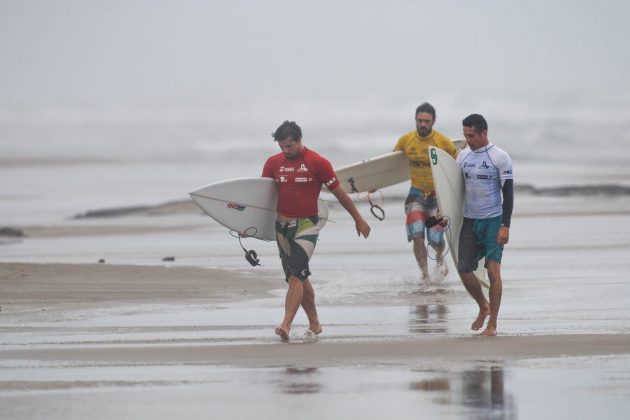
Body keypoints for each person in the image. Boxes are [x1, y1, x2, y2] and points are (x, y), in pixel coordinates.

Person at [262, 121, 371, 341]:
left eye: (289, 146)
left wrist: (358, 219)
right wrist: (246, 226)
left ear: (299, 140)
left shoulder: (317, 162)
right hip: (282, 228)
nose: (285, 150)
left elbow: (339, 193)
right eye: (282, 146)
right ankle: (315, 323)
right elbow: (261, 199)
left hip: (306, 225)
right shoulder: (273, 163)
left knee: (295, 276)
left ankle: (286, 324)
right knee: (300, 276)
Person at [457, 114, 513, 336]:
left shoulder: (500, 157)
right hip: (470, 220)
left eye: (471, 135)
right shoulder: (462, 156)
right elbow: (454, 191)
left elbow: (508, 194)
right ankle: (483, 306)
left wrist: (505, 225)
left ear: (484, 133)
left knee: (493, 271)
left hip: (493, 220)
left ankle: (493, 324)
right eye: (465, 135)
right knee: (464, 268)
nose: (468, 140)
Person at [393, 102, 457, 284]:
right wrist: (373, 185)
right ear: (415, 120)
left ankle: (439, 258)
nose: (422, 124)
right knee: (417, 234)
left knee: (436, 238)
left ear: (434, 121)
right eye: (419, 120)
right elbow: (390, 168)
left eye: (426, 121)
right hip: (416, 193)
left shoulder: (443, 142)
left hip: (438, 195)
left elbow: (457, 166)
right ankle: (424, 273)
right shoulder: (406, 141)